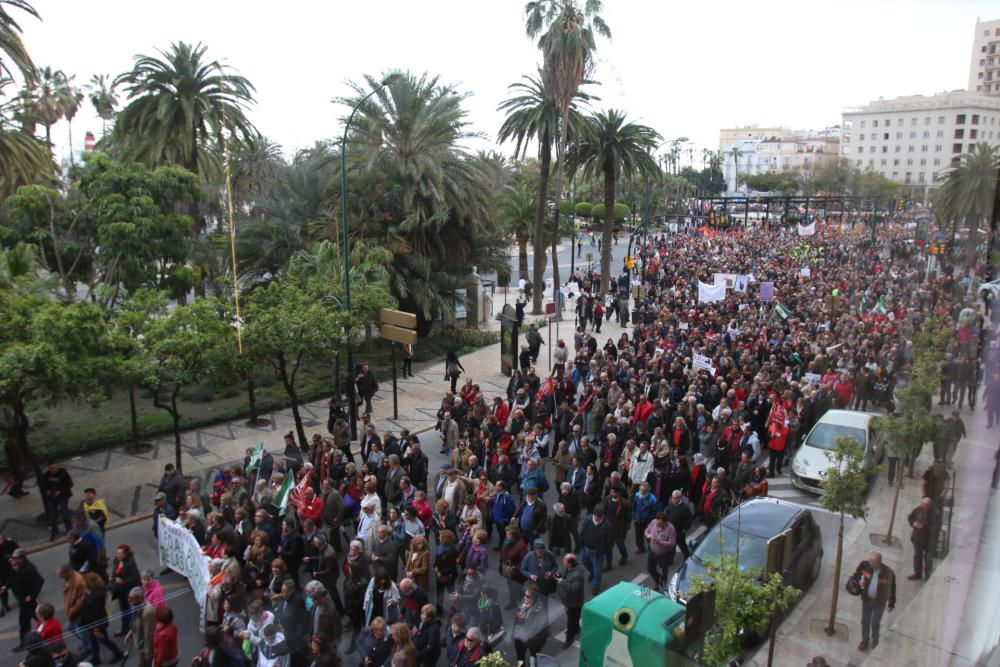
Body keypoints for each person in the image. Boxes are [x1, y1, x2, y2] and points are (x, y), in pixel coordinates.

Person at [851, 551, 895, 651]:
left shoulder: (888, 573)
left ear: (879, 562)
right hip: (867, 600)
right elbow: (856, 574)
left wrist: (891, 603)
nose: (870, 563)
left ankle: (875, 639)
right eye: (870, 560)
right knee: (865, 621)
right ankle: (865, 640)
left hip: (879, 602)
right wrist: (859, 581)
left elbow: (892, 588)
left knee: (875, 622)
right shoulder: (865, 565)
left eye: (873, 562)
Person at [80, 572, 126, 664]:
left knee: (104, 640)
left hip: (96, 623)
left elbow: (98, 613)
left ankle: (118, 653)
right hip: (92, 622)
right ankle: (96, 657)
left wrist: (97, 628)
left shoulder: (95, 596)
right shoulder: (96, 591)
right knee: (93, 641)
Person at [6, 549, 44, 650]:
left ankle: (27, 642)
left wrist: (31, 595)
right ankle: (25, 642)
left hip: (27, 600)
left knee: (28, 620)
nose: (12, 559)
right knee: (27, 620)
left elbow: (39, 581)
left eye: (14, 558)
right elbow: (13, 579)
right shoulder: (15, 566)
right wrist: (6, 586)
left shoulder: (29, 569)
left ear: (21, 558)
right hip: (21, 598)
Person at [511, 584, 547, 665]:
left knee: (533, 659)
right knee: (520, 658)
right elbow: (517, 619)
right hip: (520, 637)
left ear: (534, 597)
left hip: (532, 640)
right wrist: (514, 633)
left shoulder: (540, 609)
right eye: (525, 595)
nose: (525, 598)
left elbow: (539, 628)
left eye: (528, 596)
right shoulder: (523, 603)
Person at [555, 554, 585, 648]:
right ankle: (576, 629)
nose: (562, 562)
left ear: (570, 563)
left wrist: (562, 582)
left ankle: (569, 639)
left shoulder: (578, 574)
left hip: (574, 602)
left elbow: (574, 589)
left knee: (571, 620)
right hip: (568, 600)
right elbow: (564, 575)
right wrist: (559, 576)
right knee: (573, 618)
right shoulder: (568, 568)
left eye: (564, 561)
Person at [39, 462, 74, 541]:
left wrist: (60, 491)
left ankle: (69, 529)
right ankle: (55, 531)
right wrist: (47, 492)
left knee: (64, 511)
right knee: (52, 515)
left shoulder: (63, 473)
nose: (53, 470)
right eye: (51, 468)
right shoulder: (46, 476)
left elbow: (70, 484)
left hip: (63, 496)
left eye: (54, 468)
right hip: (51, 498)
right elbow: (42, 487)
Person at [643, 511, 677, 591]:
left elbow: (672, 543)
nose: (658, 525)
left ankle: (663, 587)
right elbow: (646, 531)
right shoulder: (653, 522)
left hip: (664, 555)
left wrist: (660, 542)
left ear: (665, 522)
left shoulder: (671, 528)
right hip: (652, 552)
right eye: (657, 523)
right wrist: (648, 535)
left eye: (660, 524)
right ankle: (657, 581)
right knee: (650, 568)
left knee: (664, 572)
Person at [125, 587, 156, 667]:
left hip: (144, 647)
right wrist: (130, 632)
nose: (129, 600)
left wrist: (147, 652)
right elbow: (135, 622)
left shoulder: (147, 612)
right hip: (141, 643)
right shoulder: (135, 606)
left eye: (131, 598)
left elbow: (148, 634)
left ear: (139, 598)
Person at [908, 497, 936, 581]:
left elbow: (936, 527)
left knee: (928, 558)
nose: (923, 507)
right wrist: (914, 523)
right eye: (923, 505)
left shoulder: (935, 514)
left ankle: (927, 575)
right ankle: (917, 573)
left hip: (928, 541)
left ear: (930, 506)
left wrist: (925, 527)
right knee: (917, 556)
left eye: (926, 506)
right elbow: (910, 517)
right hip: (918, 539)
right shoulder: (918, 509)